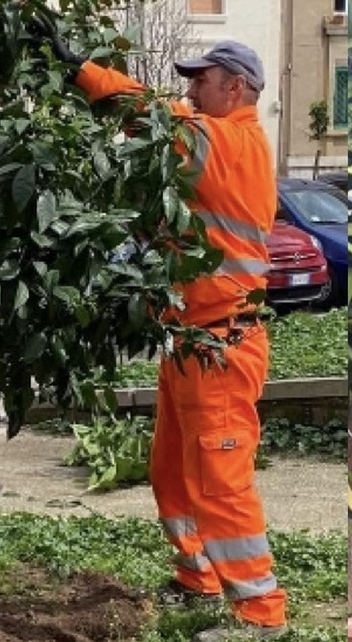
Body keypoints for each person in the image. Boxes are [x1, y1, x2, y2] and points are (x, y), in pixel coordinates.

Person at [50, 38, 288, 640]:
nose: (190, 90)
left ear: (234, 86)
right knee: (172, 473)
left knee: (221, 483)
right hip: (192, 342)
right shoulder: (221, 143)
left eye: (200, 81)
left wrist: (82, 72)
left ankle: (260, 616)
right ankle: (199, 577)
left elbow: (150, 114)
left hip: (220, 348)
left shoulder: (227, 140)